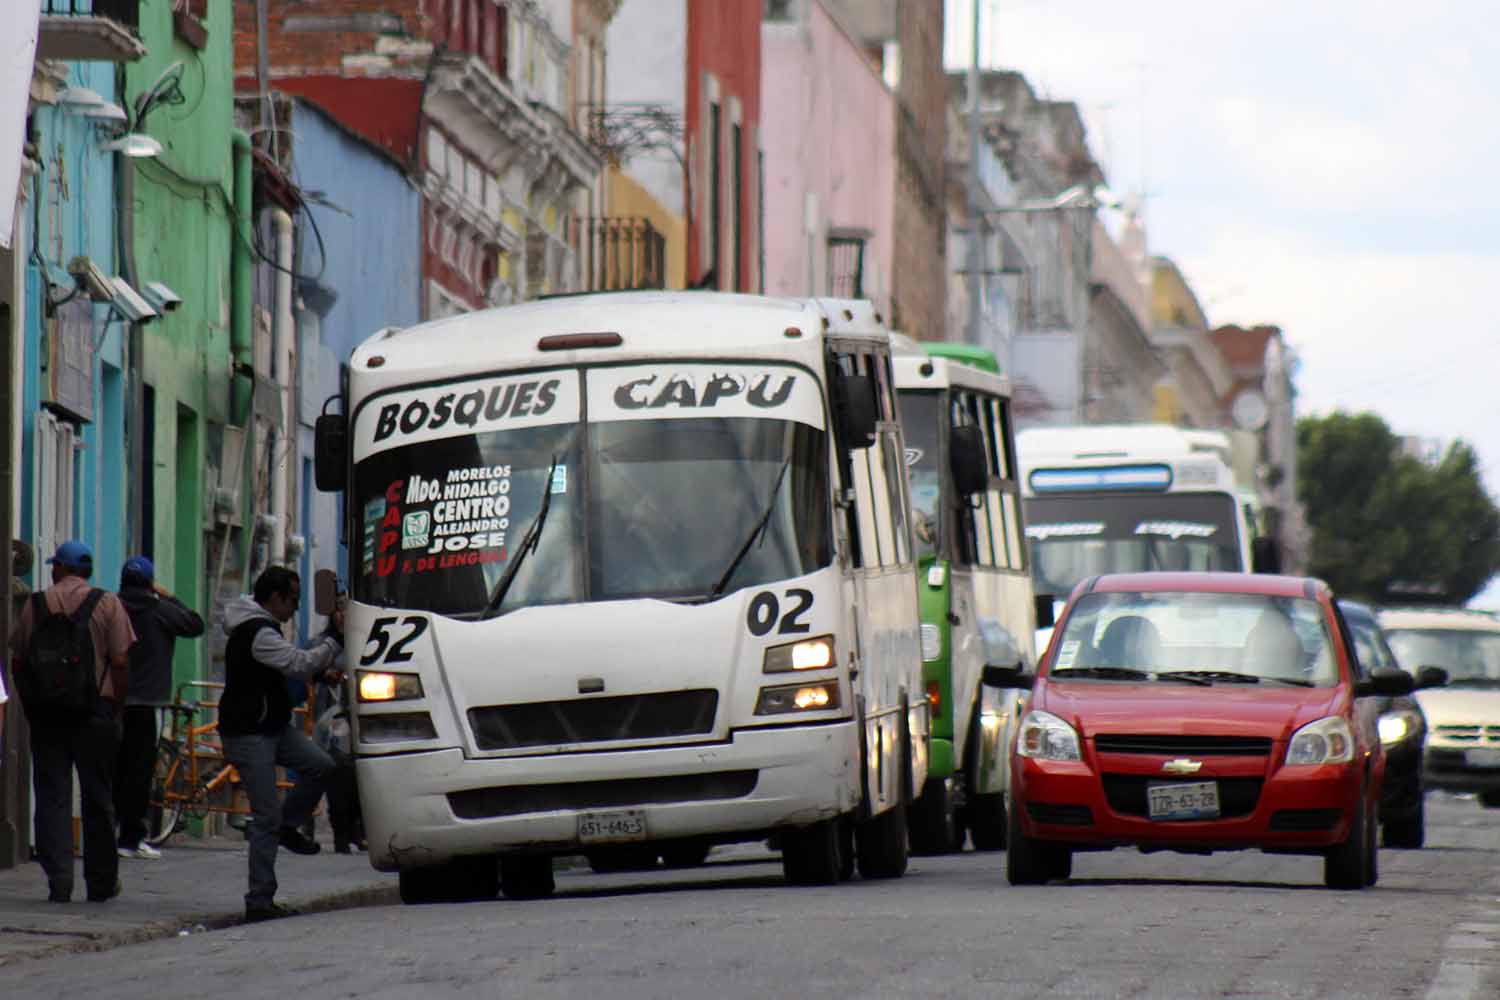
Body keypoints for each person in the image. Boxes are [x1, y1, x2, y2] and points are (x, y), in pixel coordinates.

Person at [9, 541, 135, 903]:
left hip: (48, 716)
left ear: (61, 568)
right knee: (98, 798)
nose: (51, 570)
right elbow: (122, 661)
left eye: (55, 566)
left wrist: (31, 705)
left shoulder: (36, 604)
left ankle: (59, 879)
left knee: (52, 797)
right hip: (96, 714)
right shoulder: (108, 603)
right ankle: (101, 882)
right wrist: (117, 707)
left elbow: (18, 660)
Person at [219, 566, 343, 923]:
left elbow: (284, 667)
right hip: (249, 732)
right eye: (293, 600)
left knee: (321, 765)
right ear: (274, 598)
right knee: (265, 816)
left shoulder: (263, 628)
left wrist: (321, 671)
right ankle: (259, 899)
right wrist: (334, 638)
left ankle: (289, 825)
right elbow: (296, 663)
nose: (295, 607)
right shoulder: (258, 632)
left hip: (272, 725)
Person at [114, 556, 204, 860]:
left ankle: (109, 833)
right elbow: (195, 624)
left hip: (112, 700)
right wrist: (170, 596)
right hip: (148, 702)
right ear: (150, 583)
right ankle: (130, 838)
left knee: (114, 767)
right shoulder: (161, 610)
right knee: (140, 771)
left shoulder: (111, 607)